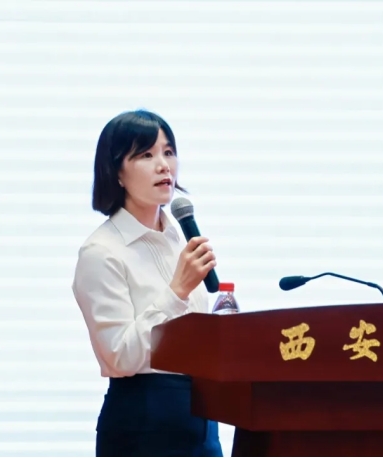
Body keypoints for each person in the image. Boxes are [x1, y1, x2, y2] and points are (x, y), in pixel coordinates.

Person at [72, 109, 223, 457]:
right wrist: (177, 291)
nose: (163, 165)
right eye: (146, 155)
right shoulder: (101, 252)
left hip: (200, 419)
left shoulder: (179, 239)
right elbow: (120, 357)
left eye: (169, 152)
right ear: (116, 172)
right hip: (142, 422)